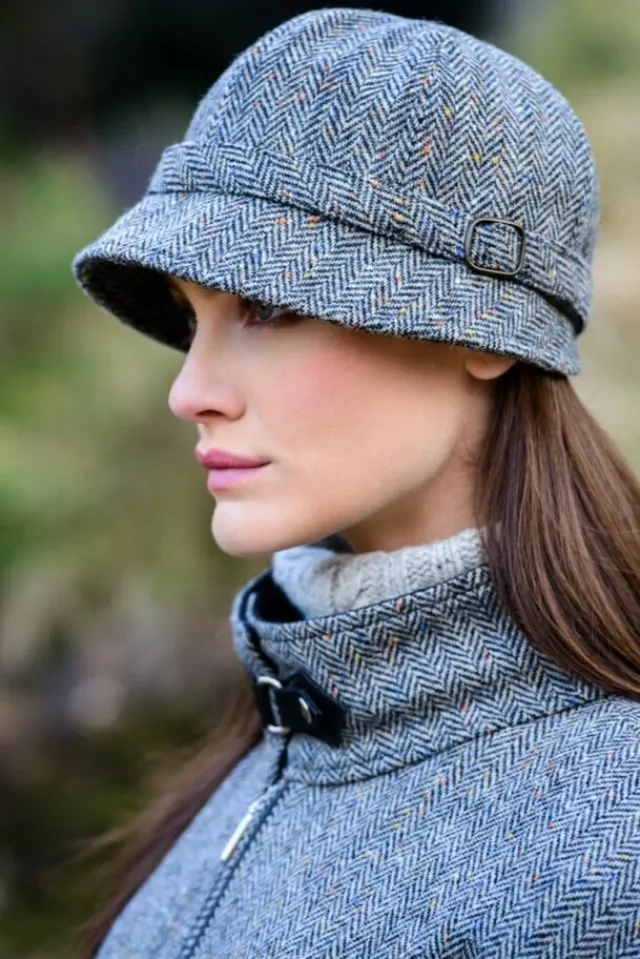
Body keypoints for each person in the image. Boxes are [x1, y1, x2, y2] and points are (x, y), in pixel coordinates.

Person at [71, 8, 640, 958]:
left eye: (268, 306)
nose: (190, 390)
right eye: (191, 316)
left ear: (483, 333)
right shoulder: (272, 744)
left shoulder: (611, 847)